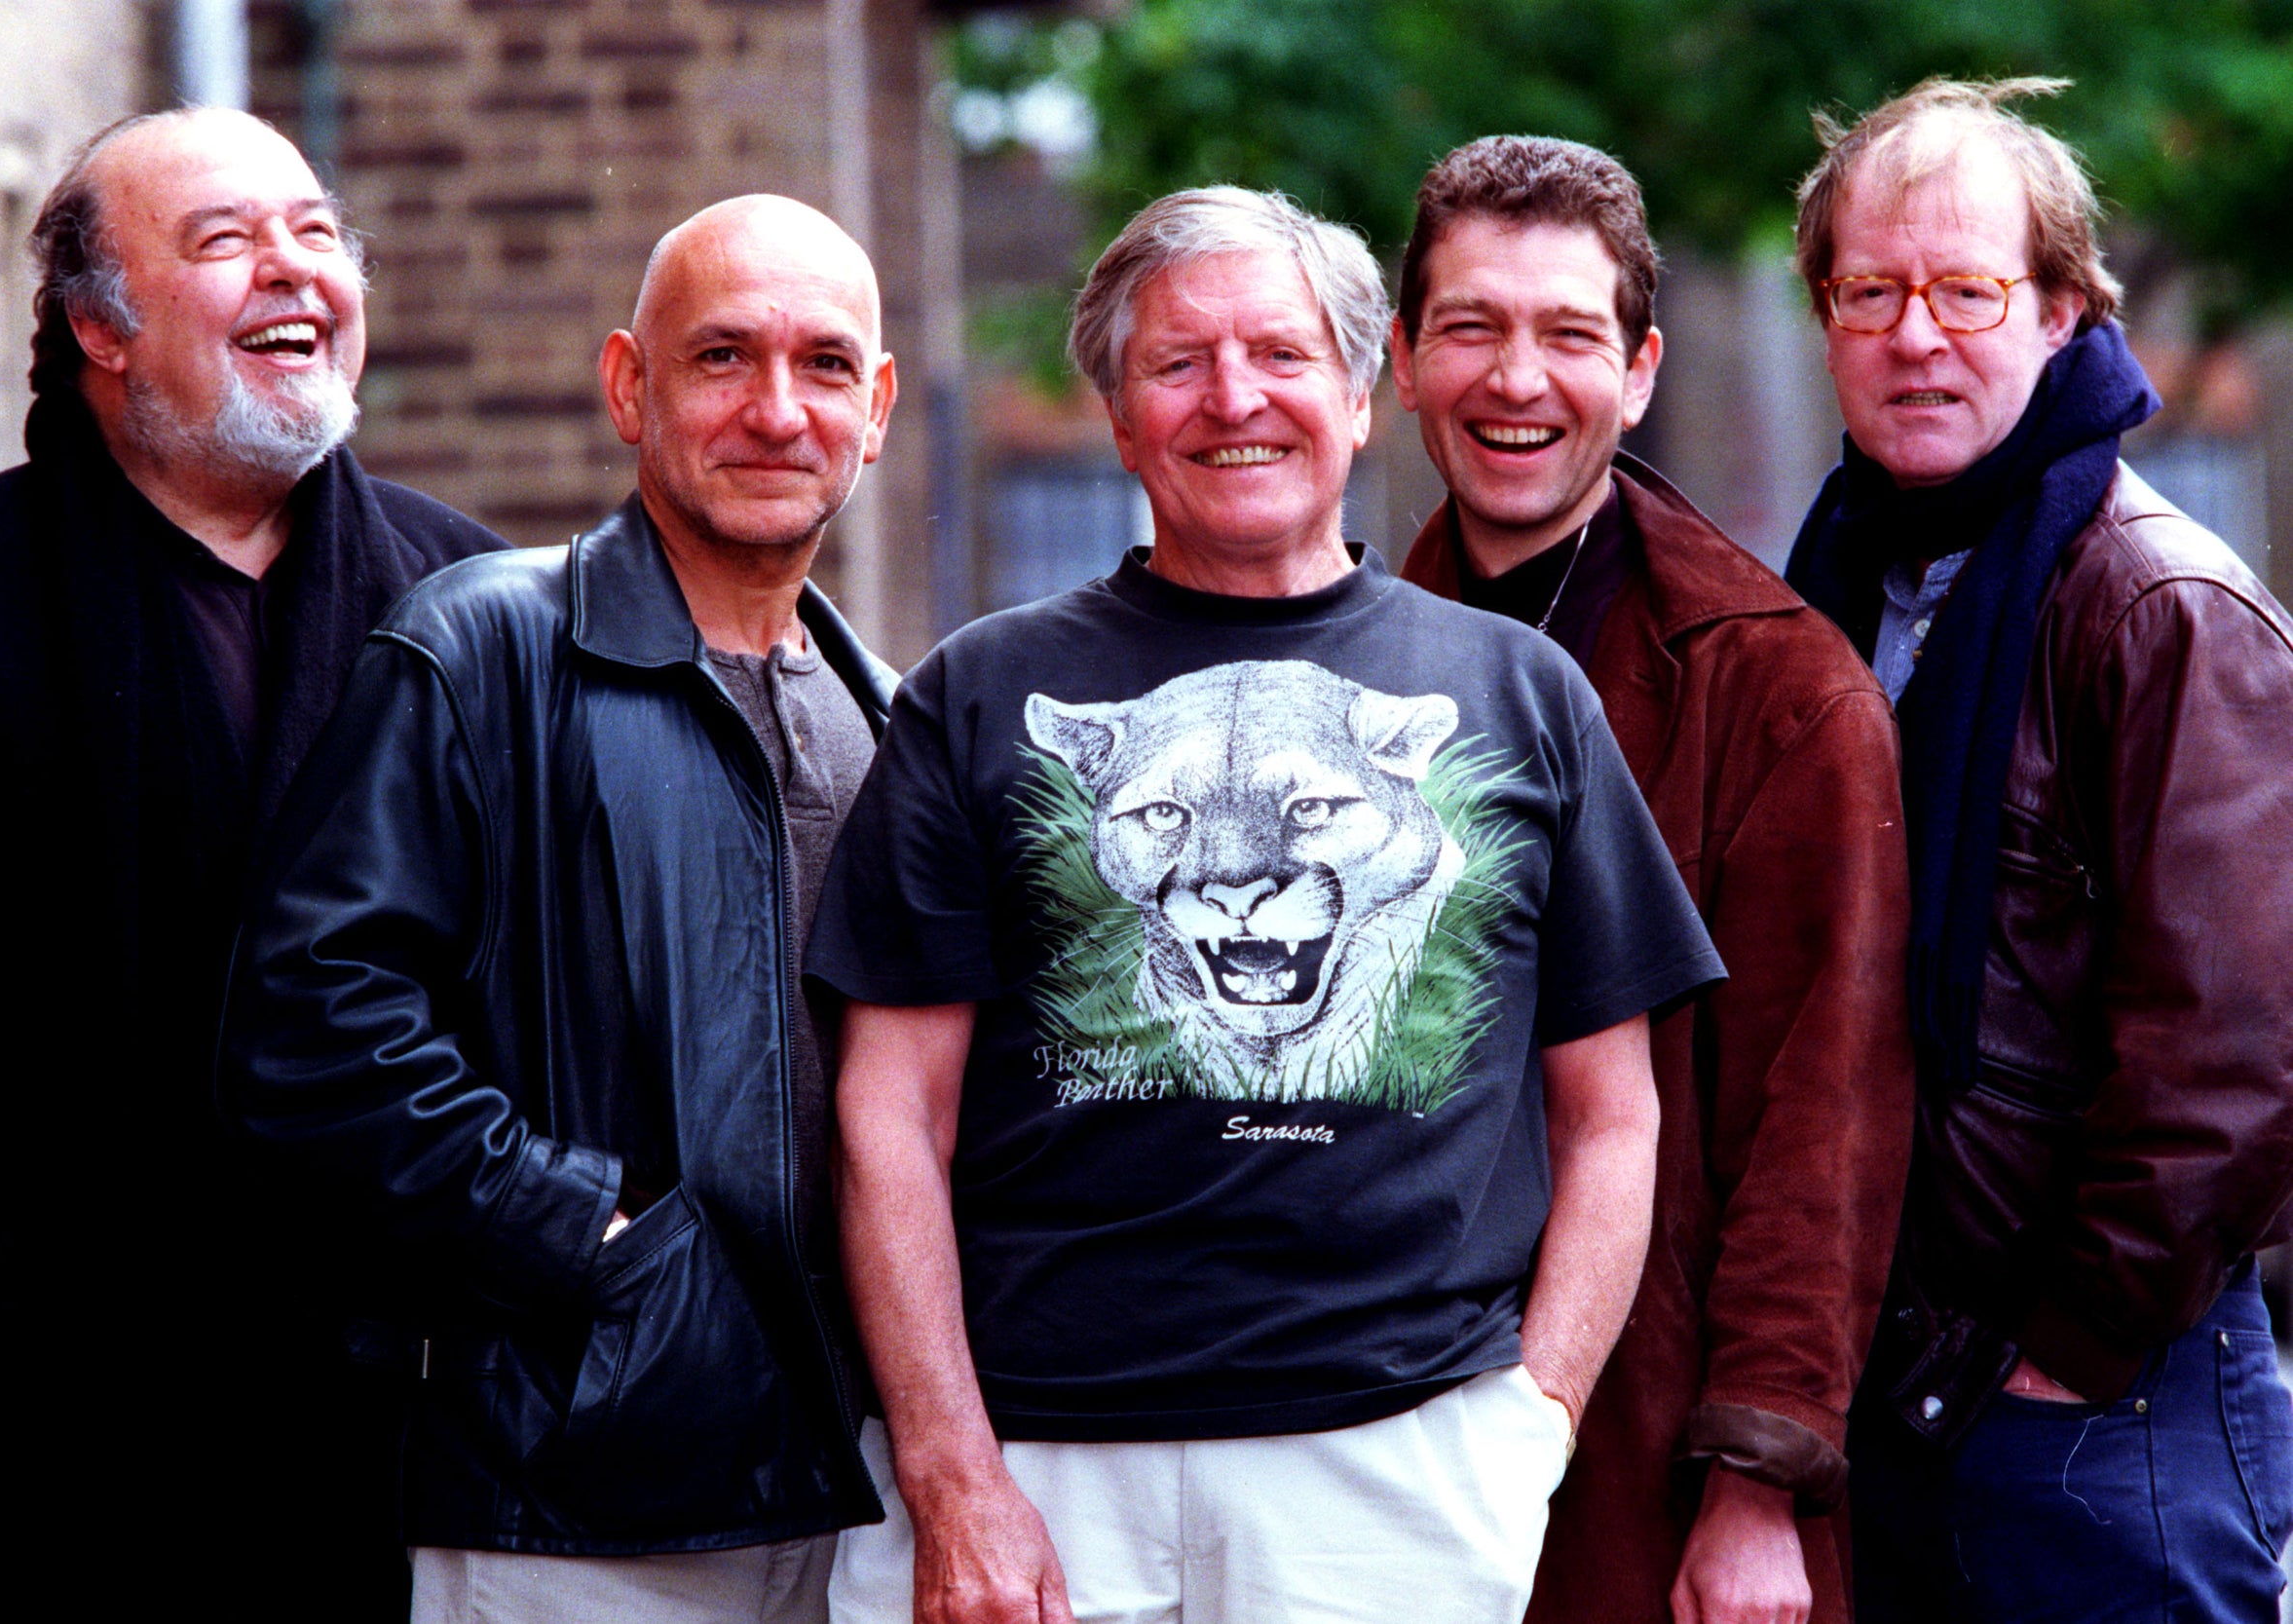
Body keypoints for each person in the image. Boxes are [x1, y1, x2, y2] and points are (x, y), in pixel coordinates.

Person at [809, 184, 1724, 1624]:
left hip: (1395, 1474)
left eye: (1284, 356)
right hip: (1041, 1471)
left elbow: (1612, 1109)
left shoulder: (1512, 694)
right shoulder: (979, 696)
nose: (1235, 398)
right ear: (1119, 417)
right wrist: (951, 1474)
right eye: (1178, 364)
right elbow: (889, 1114)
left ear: (1365, 394)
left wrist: (1526, 1429)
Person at [0, 107, 506, 1620]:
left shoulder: (471, 594)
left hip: (404, 1435)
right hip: (66, 1456)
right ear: (102, 327)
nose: (295, 268)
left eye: (317, 233)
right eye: (225, 241)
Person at [218, 194, 896, 1624]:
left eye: (825, 365)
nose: (778, 409)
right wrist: (596, 1238)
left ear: (879, 406)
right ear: (627, 388)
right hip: (575, 1497)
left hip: (865, 1496)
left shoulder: (895, 718)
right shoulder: (481, 646)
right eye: (722, 359)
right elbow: (312, 1035)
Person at [1782, 77, 2293, 1621]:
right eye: (1872, 292)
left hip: (2105, 1411)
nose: (1915, 335)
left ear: (2065, 309)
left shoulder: (2157, 606)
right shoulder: (1848, 584)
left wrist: (2068, 1350)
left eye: (1966, 289)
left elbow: (2241, 1049)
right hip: (1897, 1379)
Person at [1386, 135, 1913, 1624]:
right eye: (1472, 327)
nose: (1515, 380)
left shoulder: (1776, 689)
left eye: (1565, 334)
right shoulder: (1343, 664)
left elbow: (1831, 1113)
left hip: (1658, 1457)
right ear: (1407, 359)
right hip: (1391, 1441)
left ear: (1637, 370)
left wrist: (1759, 1481)